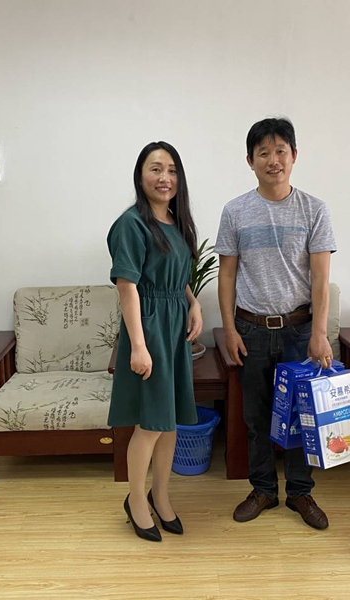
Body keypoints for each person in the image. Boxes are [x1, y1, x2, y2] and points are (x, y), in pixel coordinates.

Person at [215, 117, 336, 530]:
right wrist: (229, 329)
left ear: (294, 156)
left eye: (280, 151)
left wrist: (319, 333)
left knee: (303, 416)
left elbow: (320, 278)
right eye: (263, 153)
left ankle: (300, 492)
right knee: (256, 416)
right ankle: (263, 489)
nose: (273, 160)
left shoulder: (314, 209)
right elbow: (227, 275)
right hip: (250, 329)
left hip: (299, 330)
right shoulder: (235, 211)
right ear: (250, 161)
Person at [107, 141, 203, 542]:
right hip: (148, 329)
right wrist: (139, 346)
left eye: (172, 170)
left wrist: (193, 302)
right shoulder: (131, 224)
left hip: (174, 326)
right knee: (149, 425)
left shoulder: (176, 223)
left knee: (169, 422)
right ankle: (136, 501)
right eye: (156, 169)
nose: (165, 178)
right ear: (140, 175)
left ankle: (160, 496)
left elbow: (176, 274)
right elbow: (127, 286)